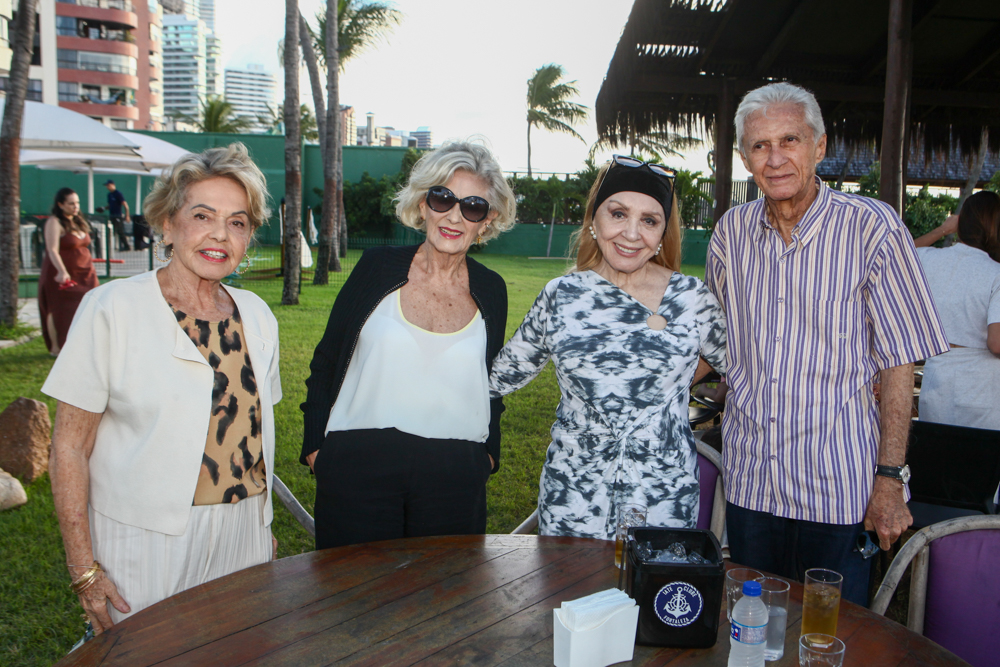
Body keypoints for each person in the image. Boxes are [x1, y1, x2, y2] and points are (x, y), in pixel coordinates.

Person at [705, 82, 949, 606]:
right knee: (755, 626)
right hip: (753, 482)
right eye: (759, 145)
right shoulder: (730, 233)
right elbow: (712, 342)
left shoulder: (872, 227)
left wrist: (889, 478)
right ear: (744, 157)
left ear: (818, 147)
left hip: (838, 487)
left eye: (789, 140)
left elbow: (901, 361)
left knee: (832, 637)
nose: (774, 159)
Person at [46, 143, 281, 637]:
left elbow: (252, 436)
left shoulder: (257, 315)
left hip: (244, 537)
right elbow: (69, 445)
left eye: (237, 222)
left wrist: (261, 530)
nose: (220, 234)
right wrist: (84, 568)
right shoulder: (111, 309)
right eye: (203, 215)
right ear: (169, 223)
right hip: (144, 544)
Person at [489, 156, 727, 539]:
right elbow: (497, 378)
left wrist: (677, 382)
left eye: (649, 220)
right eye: (618, 214)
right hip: (574, 497)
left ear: (663, 232)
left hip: (663, 498)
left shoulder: (691, 298)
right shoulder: (562, 297)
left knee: (652, 596)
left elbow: (744, 367)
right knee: (569, 597)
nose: (632, 233)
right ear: (594, 220)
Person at [300, 141, 516, 550]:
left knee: (444, 606)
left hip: (456, 477)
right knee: (354, 603)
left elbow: (491, 384)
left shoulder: (492, 289)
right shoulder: (377, 268)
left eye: (472, 207)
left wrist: (487, 454)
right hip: (359, 467)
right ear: (422, 205)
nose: (454, 216)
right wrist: (316, 447)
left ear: (485, 223)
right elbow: (327, 358)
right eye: (442, 198)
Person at [913, 191, 1000, 430]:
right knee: (980, 464)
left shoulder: (930, 259)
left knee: (940, 460)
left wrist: (943, 229)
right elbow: (997, 343)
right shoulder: (995, 273)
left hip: (937, 380)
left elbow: (900, 253)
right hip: (982, 389)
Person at [38, 188, 100, 356]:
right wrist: (62, 271)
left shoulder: (79, 221)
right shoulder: (54, 222)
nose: (75, 207)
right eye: (71, 203)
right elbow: (52, 250)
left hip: (85, 272)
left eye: (77, 203)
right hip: (60, 272)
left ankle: (82, 343)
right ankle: (56, 348)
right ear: (60, 204)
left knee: (89, 304)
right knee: (57, 308)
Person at [103, 179, 131, 251]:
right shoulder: (109, 195)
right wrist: (103, 208)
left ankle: (126, 246)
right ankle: (113, 247)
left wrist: (127, 215)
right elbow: (110, 205)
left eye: (108, 185)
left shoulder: (118, 193)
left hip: (118, 215)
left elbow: (125, 205)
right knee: (112, 231)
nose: (107, 187)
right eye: (107, 186)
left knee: (120, 231)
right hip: (112, 215)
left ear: (113, 185)